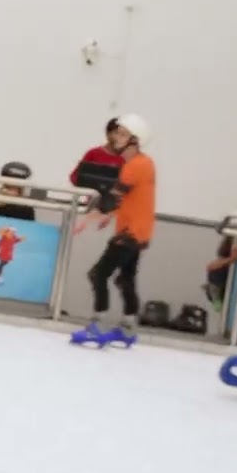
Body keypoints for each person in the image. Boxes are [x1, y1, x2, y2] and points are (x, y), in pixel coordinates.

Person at [69, 113, 156, 348]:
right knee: (125, 278)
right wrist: (105, 215)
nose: (116, 138)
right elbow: (127, 200)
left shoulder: (135, 166)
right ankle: (128, 328)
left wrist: (88, 219)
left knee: (98, 274)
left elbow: (114, 199)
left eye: (123, 134)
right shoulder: (142, 163)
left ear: (135, 140)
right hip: (138, 231)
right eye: (117, 132)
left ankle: (97, 324)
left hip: (129, 233)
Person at [69, 118, 125, 192]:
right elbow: (74, 177)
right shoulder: (93, 153)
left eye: (123, 134)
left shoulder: (127, 158)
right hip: (94, 200)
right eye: (116, 133)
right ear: (108, 134)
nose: (119, 137)